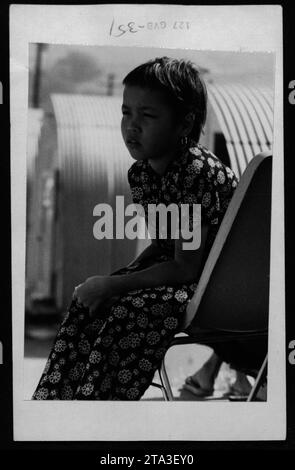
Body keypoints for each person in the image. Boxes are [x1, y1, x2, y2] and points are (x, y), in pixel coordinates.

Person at [32, 56, 238, 400]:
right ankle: (58, 404)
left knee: (127, 307)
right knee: (88, 301)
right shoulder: (142, 173)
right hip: (185, 277)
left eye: (148, 115)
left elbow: (186, 266)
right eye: (127, 113)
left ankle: (104, 408)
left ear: (184, 124)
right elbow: (164, 247)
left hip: (213, 285)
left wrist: (112, 284)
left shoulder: (193, 170)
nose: (132, 126)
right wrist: (102, 286)